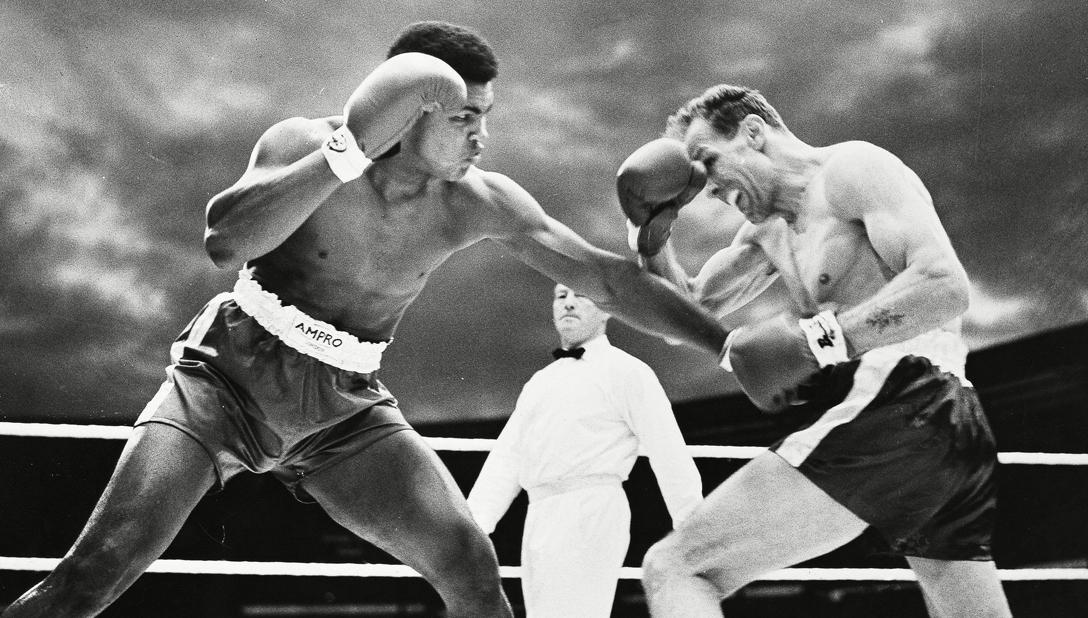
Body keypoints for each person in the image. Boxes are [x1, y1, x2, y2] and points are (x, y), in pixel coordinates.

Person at [1, 22, 732, 618]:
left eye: (488, 117)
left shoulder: (478, 200)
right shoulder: (299, 144)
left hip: (346, 411)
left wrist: (725, 345)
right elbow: (224, 243)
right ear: (413, 111)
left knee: (470, 566)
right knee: (92, 573)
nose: (482, 137)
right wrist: (342, 156)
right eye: (466, 117)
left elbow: (604, 277)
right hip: (225, 381)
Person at [616, 85, 1010, 617]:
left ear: (753, 133)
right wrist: (652, 232)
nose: (707, 188)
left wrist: (819, 342)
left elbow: (943, 285)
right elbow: (684, 309)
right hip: (946, 432)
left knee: (677, 567)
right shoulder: (765, 235)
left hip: (902, 397)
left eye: (709, 161)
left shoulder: (852, 169)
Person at [467, 283, 703, 618]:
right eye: (561, 296)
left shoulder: (627, 371)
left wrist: (693, 530)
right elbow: (508, 457)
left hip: (592, 509)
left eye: (581, 295)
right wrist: (473, 527)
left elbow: (668, 449)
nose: (569, 303)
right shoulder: (539, 382)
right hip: (539, 514)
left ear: (607, 308)